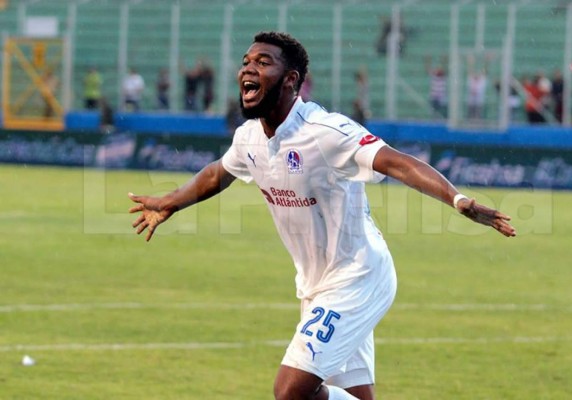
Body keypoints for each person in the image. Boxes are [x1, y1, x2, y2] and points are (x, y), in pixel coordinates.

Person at [128, 31, 516, 400]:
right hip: (316, 284)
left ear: (290, 80)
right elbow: (218, 173)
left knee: (291, 390)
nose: (248, 69)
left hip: (358, 277)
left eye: (263, 62)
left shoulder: (325, 131)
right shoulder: (248, 137)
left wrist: (458, 199)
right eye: (246, 62)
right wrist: (171, 202)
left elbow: (396, 162)